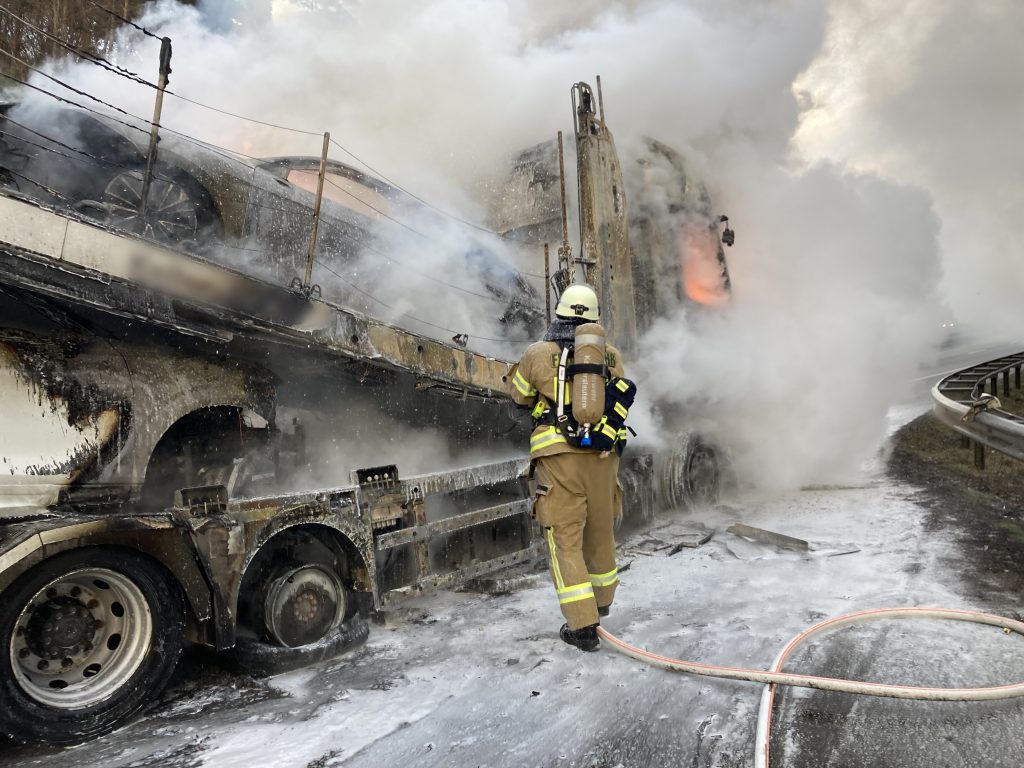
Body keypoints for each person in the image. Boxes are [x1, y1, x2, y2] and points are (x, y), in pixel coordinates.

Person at [510, 284, 626, 652]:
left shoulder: (537, 352)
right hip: (604, 459)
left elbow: (520, 394)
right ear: (594, 319)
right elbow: (619, 394)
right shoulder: (609, 356)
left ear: (559, 314)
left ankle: (582, 628)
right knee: (600, 533)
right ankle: (602, 602)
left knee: (565, 542)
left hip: (560, 459)